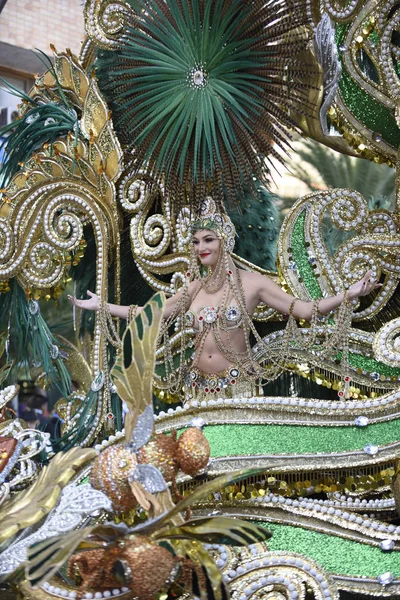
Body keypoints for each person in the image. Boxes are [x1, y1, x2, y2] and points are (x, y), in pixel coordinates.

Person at [69, 197, 380, 401]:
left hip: (238, 387)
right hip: (196, 389)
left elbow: (304, 310)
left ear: (225, 242)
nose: (201, 247)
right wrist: (103, 306)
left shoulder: (252, 283)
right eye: (195, 242)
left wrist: (347, 295)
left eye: (208, 239)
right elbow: (151, 314)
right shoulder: (194, 288)